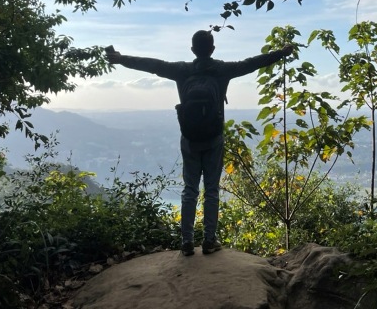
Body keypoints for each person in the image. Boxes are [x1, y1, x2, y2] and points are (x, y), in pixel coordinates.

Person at [105, 30, 293, 257]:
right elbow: (252, 63)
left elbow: (151, 64)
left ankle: (186, 242)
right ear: (212, 49)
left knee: (190, 190)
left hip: (190, 139)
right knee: (211, 190)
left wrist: (120, 59)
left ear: (193, 50)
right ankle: (209, 240)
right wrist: (281, 53)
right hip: (214, 138)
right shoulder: (222, 69)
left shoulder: (181, 70)